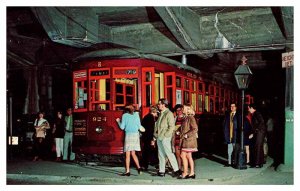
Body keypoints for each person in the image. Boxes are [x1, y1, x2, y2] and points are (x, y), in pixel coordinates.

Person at [152, 98, 181, 177]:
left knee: (169, 153)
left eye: (159, 104)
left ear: (164, 105)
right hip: (159, 137)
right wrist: (155, 136)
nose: (158, 105)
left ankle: (176, 170)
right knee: (160, 154)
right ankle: (162, 171)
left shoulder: (169, 113)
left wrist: (166, 136)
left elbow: (171, 127)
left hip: (165, 137)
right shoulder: (161, 113)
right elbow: (157, 126)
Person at [116, 104, 143, 176]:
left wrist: (118, 121)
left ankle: (127, 171)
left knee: (127, 155)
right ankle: (139, 168)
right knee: (133, 153)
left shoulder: (124, 116)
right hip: (136, 135)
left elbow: (122, 127)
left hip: (129, 135)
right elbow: (139, 126)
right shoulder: (136, 115)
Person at [177, 104, 198, 179]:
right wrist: (178, 131)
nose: (182, 109)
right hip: (186, 140)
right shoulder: (186, 117)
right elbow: (185, 128)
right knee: (189, 156)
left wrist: (186, 135)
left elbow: (195, 128)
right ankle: (191, 173)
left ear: (188, 109)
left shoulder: (190, 117)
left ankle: (185, 172)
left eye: (184, 108)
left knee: (183, 155)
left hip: (188, 141)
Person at [248, 103, 267, 168]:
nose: (248, 110)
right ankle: (259, 163)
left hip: (260, 132)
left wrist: (255, 132)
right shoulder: (255, 114)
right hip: (259, 132)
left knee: (258, 147)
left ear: (252, 108)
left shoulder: (256, 113)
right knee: (259, 147)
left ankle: (257, 163)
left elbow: (261, 122)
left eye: (249, 108)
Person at [141, 105, 159, 171]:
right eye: (156, 112)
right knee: (149, 151)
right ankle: (148, 164)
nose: (157, 113)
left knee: (146, 151)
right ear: (154, 111)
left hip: (145, 137)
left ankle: (144, 165)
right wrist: (153, 139)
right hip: (149, 137)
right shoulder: (151, 118)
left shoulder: (146, 117)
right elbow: (151, 129)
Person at [173, 104, 185, 172]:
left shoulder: (185, 118)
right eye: (177, 110)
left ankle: (184, 168)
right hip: (176, 138)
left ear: (182, 110)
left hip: (183, 139)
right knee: (177, 154)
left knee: (183, 155)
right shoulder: (175, 118)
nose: (178, 111)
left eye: (180, 110)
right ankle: (179, 169)